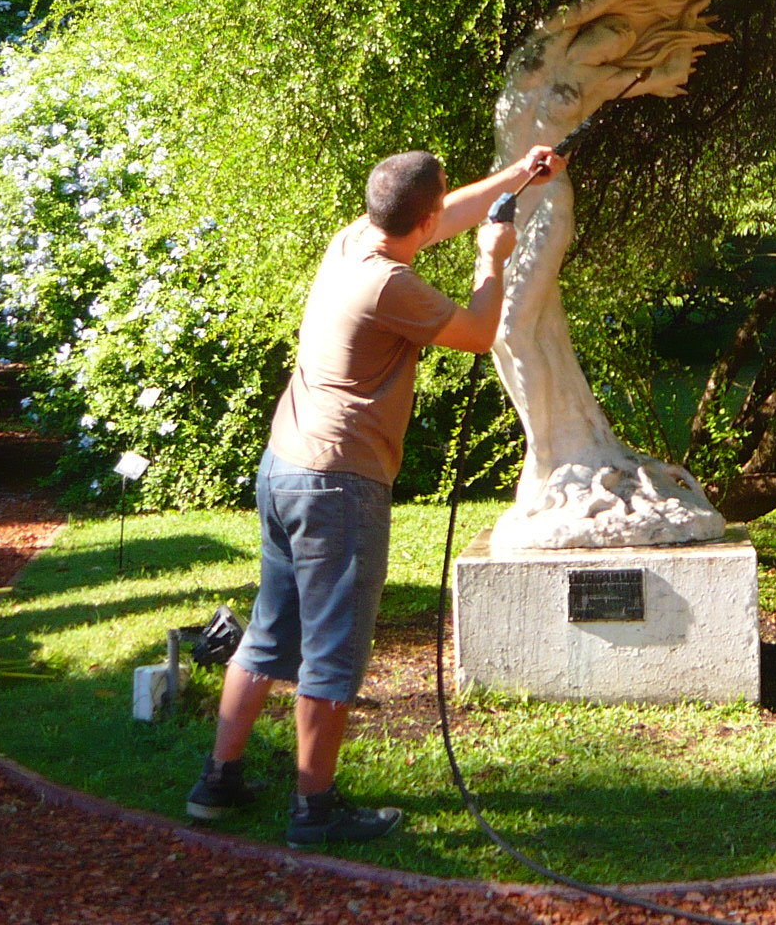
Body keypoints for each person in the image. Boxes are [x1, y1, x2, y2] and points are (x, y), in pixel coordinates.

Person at [184, 145, 562, 846]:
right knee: (333, 651)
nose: (445, 213)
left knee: (269, 633)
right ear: (423, 217)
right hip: (339, 483)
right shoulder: (391, 285)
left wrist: (521, 176)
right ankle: (314, 810)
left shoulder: (354, 241)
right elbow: (479, 335)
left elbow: (441, 214)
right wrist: (493, 257)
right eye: (440, 204)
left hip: (286, 466)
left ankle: (218, 782)